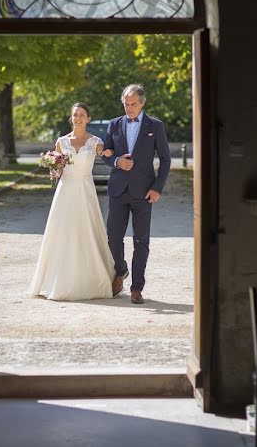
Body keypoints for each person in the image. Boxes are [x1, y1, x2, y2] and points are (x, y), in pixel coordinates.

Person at [27, 102, 115, 301]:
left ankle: (93, 280)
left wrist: (110, 153)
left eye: (82, 114)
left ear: (88, 118)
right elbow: (58, 169)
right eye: (75, 114)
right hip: (65, 191)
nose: (78, 118)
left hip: (85, 191)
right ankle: (56, 281)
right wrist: (53, 168)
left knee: (86, 232)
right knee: (62, 232)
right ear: (71, 117)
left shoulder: (95, 141)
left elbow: (106, 153)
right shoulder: (62, 142)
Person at [100, 84, 172, 305]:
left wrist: (157, 188)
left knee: (141, 241)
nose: (129, 108)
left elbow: (166, 159)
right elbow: (105, 153)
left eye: (133, 104)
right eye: (126, 104)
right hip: (118, 190)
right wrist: (116, 161)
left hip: (144, 192)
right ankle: (120, 271)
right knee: (113, 237)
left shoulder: (155, 126)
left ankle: (137, 288)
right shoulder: (114, 124)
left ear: (142, 103)